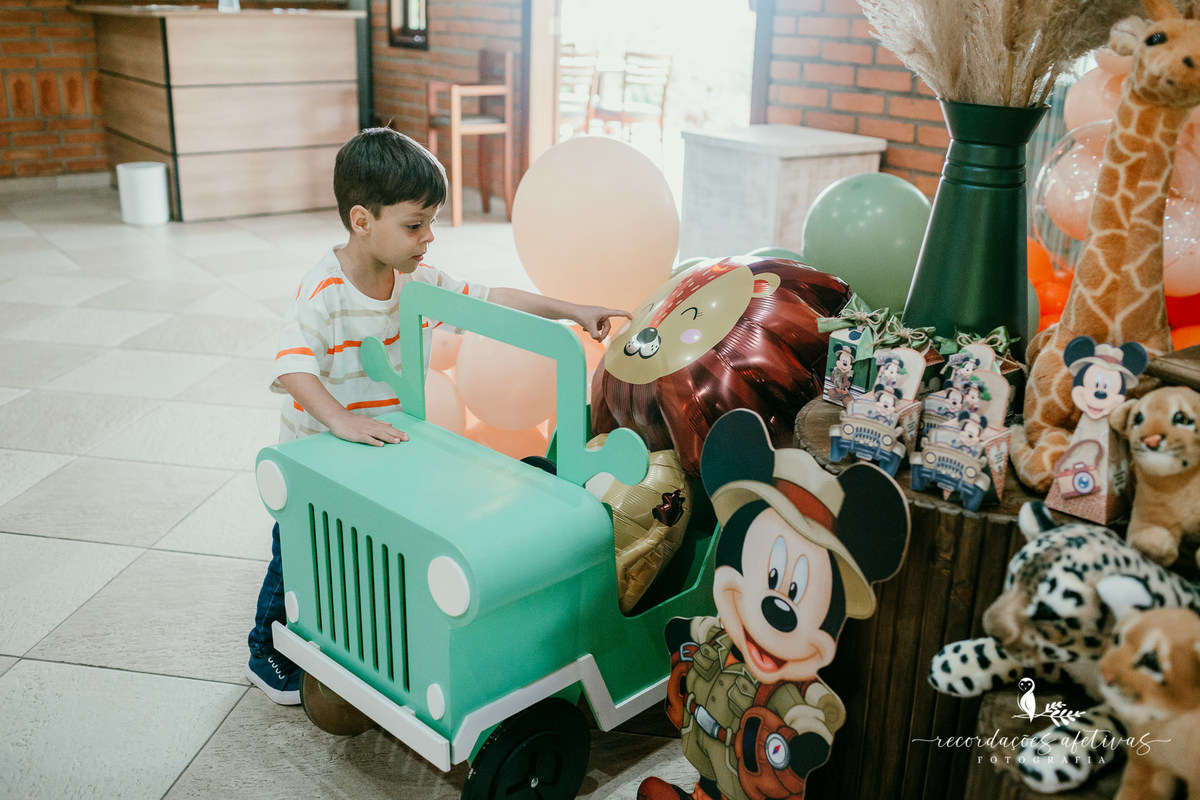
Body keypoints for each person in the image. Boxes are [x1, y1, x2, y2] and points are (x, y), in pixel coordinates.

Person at [245, 127, 630, 704]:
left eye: (432, 223)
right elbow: (294, 366)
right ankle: (265, 651)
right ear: (361, 220)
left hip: (383, 446)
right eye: (415, 225)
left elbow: (487, 298)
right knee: (297, 549)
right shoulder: (321, 289)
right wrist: (339, 420)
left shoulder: (414, 280)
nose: (429, 239)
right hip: (319, 456)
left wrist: (569, 310)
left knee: (370, 543)